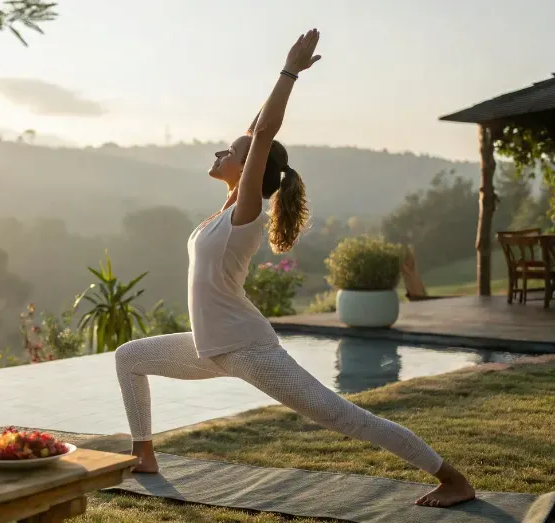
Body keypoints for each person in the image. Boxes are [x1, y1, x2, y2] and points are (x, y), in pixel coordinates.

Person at [114, 29, 476, 508]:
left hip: (246, 348)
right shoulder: (224, 210)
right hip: (210, 346)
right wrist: (265, 106)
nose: (218, 153)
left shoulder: (246, 216)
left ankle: (453, 478)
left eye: (228, 152)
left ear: (247, 170)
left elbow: (262, 134)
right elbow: (254, 131)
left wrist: (289, 71)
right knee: (130, 357)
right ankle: (145, 456)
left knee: (343, 416)